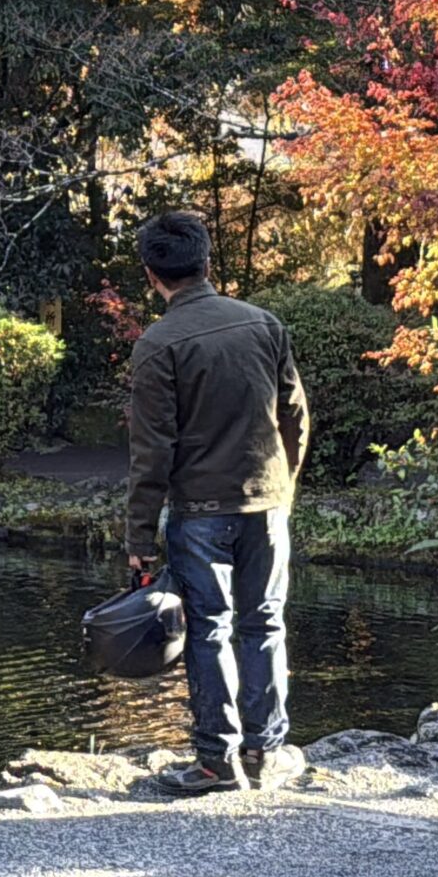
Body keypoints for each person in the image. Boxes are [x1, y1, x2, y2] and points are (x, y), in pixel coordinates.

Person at [122, 211, 312, 796]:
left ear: (152, 275)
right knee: (266, 624)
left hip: (200, 509)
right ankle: (266, 753)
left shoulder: (157, 346)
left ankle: (214, 762)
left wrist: (137, 541)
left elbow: (152, 453)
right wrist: (285, 486)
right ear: (206, 264)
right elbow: (295, 416)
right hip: (267, 502)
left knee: (208, 630)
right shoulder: (263, 325)